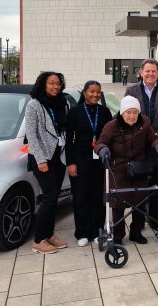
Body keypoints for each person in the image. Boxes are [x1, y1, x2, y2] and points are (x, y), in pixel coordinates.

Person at [94, 96, 158, 245]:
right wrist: (103, 149)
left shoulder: (144, 122)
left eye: (135, 112)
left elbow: (152, 138)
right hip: (118, 170)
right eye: (128, 112)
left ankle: (136, 232)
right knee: (118, 204)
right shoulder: (111, 125)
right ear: (122, 112)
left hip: (139, 168)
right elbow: (100, 143)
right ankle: (118, 235)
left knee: (139, 203)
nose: (132, 116)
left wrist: (157, 144)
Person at [125, 59, 158, 227]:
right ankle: (137, 225)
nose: (150, 74)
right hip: (138, 146)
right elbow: (126, 115)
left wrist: (156, 134)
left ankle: (155, 219)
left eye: (154, 71)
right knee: (138, 185)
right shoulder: (131, 90)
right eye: (147, 71)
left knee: (156, 183)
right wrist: (142, 134)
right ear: (141, 73)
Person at [24, 71, 70, 254]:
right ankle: (38, 240)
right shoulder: (34, 105)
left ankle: (49, 234)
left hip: (59, 156)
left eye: (58, 83)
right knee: (49, 197)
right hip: (42, 158)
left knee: (55, 197)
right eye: (51, 83)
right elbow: (32, 135)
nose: (55, 87)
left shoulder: (61, 103)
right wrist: (41, 159)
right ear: (43, 84)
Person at [66, 80, 113, 247]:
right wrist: (70, 163)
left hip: (99, 160)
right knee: (81, 196)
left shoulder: (105, 111)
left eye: (98, 92)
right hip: (80, 160)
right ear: (84, 92)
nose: (95, 95)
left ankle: (97, 230)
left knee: (97, 197)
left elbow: (109, 137)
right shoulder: (75, 112)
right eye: (91, 91)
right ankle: (82, 232)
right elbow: (69, 140)